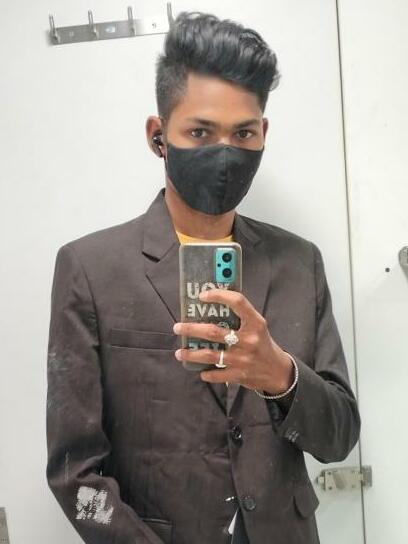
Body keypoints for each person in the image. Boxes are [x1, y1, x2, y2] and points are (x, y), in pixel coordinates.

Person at [46, 11, 361, 544]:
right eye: (199, 131)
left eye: (244, 133)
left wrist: (281, 376)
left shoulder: (299, 263)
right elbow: (74, 475)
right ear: (158, 136)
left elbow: (340, 437)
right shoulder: (91, 270)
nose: (225, 152)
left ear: (264, 134)